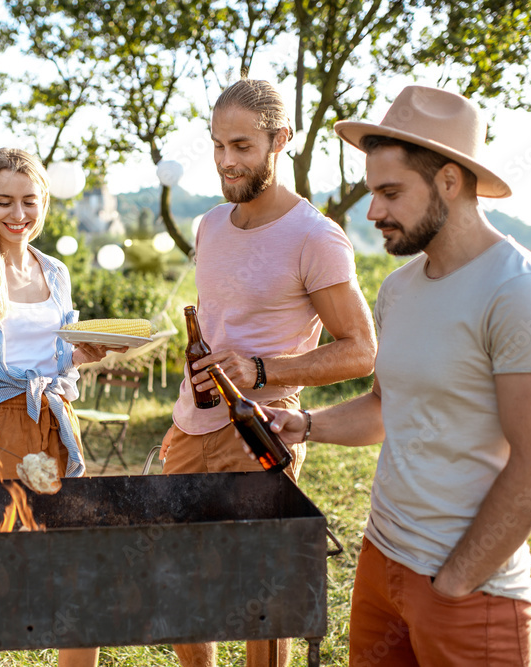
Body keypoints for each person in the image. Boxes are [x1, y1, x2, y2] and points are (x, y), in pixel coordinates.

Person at [256, 85, 531, 665]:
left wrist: (455, 581)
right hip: (381, 564)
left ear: (449, 182)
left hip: (468, 590)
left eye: (389, 192)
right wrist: (303, 424)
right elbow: (385, 406)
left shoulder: (520, 293)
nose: (372, 211)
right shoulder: (398, 289)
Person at [159, 79, 377, 667]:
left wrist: (260, 369)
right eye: (217, 145)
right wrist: (192, 385)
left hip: (260, 435)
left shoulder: (316, 237)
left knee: (261, 597)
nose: (227, 161)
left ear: (280, 139)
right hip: (191, 428)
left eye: (242, 146)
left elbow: (361, 351)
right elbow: (218, 325)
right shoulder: (209, 225)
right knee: (180, 578)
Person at [0, 147, 117, 667]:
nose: (18, 216)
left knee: (75, 567)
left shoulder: (56, 272)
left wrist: (84, 355)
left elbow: (57, 358)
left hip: (55, 423)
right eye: (4, 202)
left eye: (28, 202)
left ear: (44, 203)